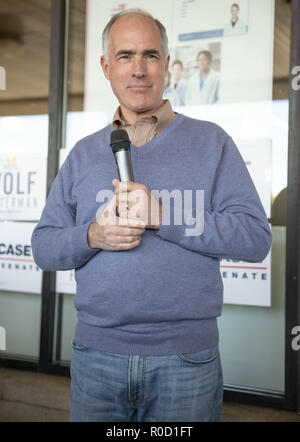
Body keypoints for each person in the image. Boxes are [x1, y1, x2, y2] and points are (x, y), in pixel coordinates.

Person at [31, 8, 272, 422]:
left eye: (150, 55)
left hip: (186, 361)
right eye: (125, 56)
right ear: (107, 67)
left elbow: (254, 238)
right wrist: (92, 236)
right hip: (95, 357)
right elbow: (43, 246)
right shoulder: (83, 153)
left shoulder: (212, 142)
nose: (138, 69)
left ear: (166, 65)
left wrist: (164, 215)